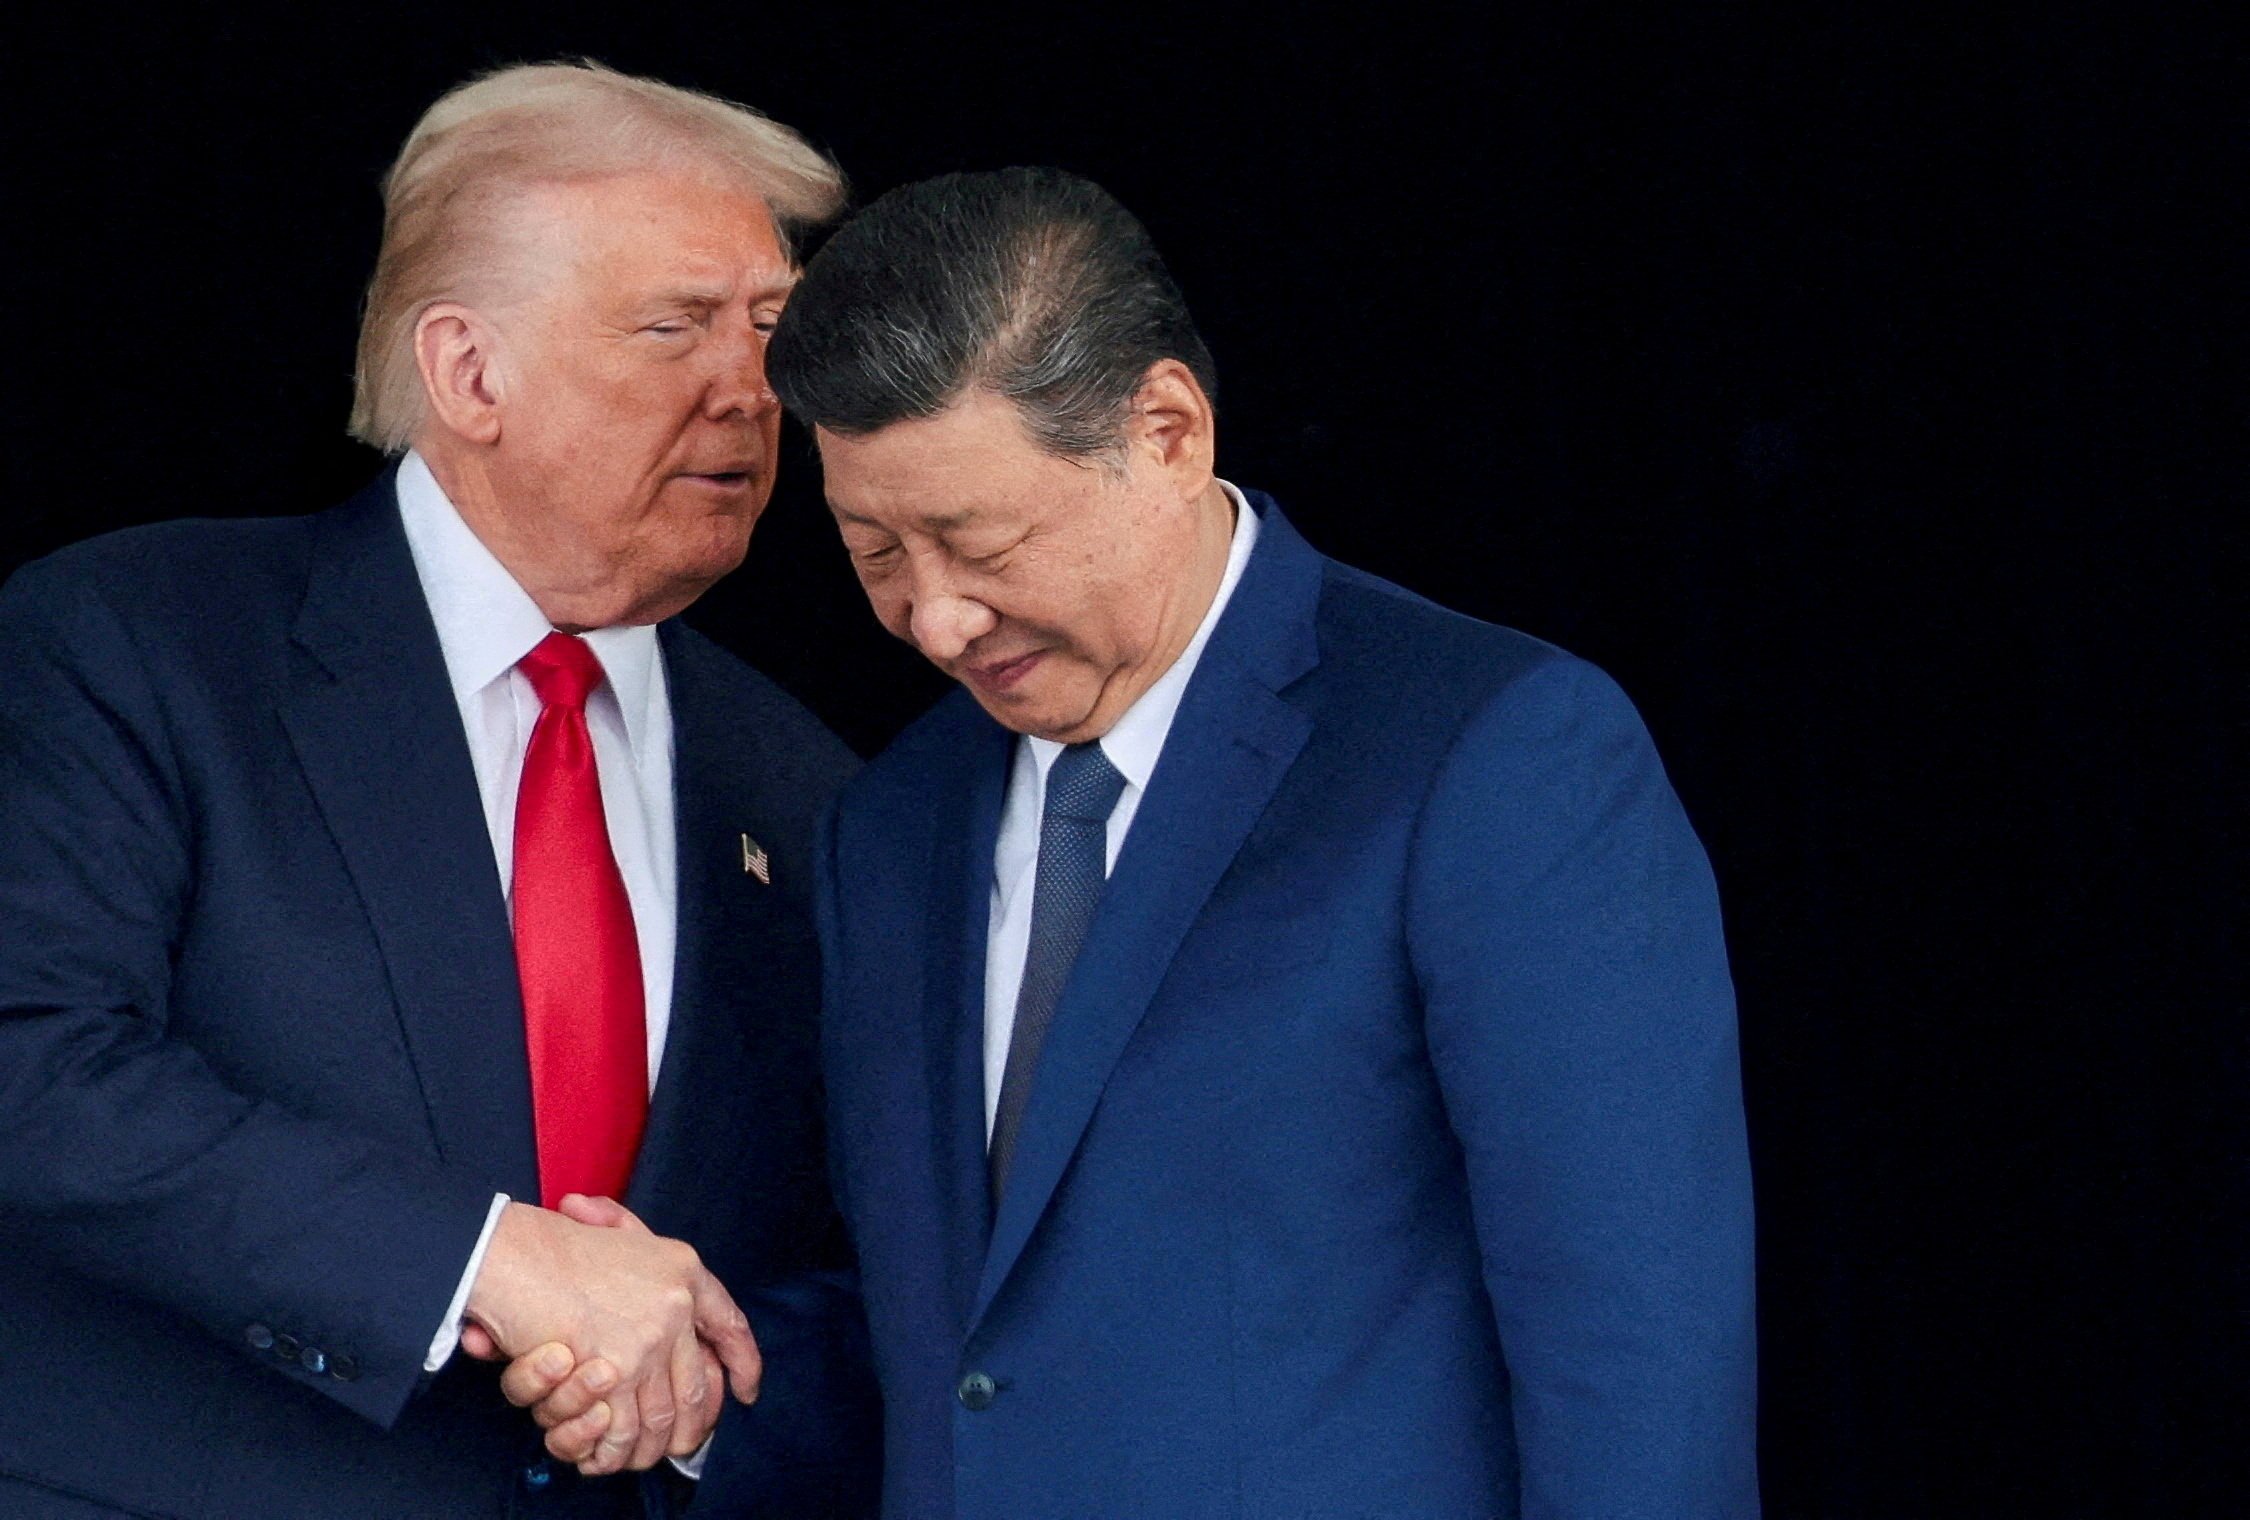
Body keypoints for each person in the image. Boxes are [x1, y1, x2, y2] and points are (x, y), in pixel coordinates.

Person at [514, 166, 1761, 1515]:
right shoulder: (884, 826)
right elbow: (951, 1340)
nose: (935, 622)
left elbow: (1635, 1353)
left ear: (1167, 431)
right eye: (874, 552)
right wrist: (693, 1385)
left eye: (977, 541)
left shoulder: (1488, 753)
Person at [0, 62, 876, 1518]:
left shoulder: (811, 789)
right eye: (675, 328)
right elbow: (27, 1064)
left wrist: (688, 1388)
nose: (751, 385)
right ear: (470, 371)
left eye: (772, 329)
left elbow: (871, 1266)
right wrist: (482, 1258)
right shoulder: (140, 642)